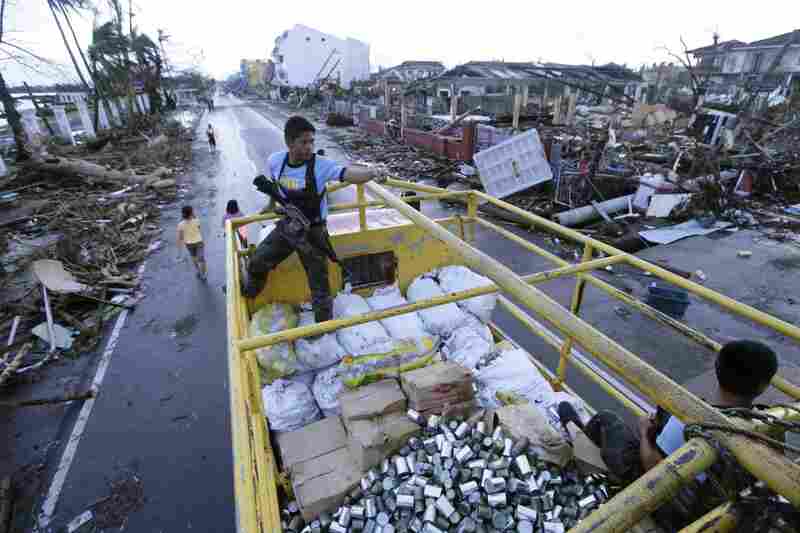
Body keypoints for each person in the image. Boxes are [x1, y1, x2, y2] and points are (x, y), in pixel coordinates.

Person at [559, 340, 778, 529]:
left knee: (606, 419)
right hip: (719, 515)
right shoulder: (770, 428)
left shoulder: (687, 417)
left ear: (717, 368)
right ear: (763, 385)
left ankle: (575, 433)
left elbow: (654, 470)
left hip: (669, 510)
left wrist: (645, 433)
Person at [241, 115, 385, 322]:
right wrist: (271, 205)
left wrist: (372, 172)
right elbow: (273, 186)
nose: (309, 147)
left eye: (312, 142)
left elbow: (348, 173)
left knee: (319, 286)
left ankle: (322, 328)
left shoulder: (321, 165)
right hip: (289, 226)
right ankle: (249, 296)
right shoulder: (276, 161)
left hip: (313, 233)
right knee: (258, 261)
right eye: (303, 142)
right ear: (289, 143)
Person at [177, 205, 207, 281]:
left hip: (188, 243)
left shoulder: (180, 224)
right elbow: (198, 228)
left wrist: (179, 247)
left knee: (194, 257)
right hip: (198, 242)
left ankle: (197, 270)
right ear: (191, 213)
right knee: (202, 259)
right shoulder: (196, 220)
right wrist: (194, 216)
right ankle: (203, 274)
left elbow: (180, 237)